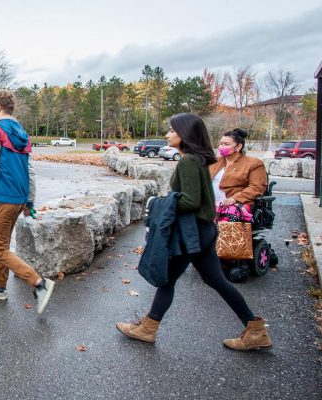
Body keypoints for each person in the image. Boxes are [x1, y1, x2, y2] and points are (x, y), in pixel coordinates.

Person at [116, 113, 272, 351]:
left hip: (193, 232)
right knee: (217, 280)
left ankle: (148, 328)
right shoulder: (199, 159)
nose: (167, 134)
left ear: (184, 134)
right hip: (205, 230)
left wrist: (161, 202)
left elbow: (190, 201)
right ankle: (255, 330)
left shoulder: (189, 161)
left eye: (171, 130)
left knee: (167, 280)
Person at [0, 89, 55, 314]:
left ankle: (39, 283)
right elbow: (30, 171)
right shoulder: (22, 133)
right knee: (2, 245)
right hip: (18, 199)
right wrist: (30, 201)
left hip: (1, 200)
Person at [210, 128, 267, 210]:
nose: (222, 147)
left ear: (239, 146)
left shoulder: (254, 163)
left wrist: (235, 199)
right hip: (209, 206)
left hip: (235, 206)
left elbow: (256, 187)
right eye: (221, 144)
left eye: (226, 144)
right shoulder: (214, 161)